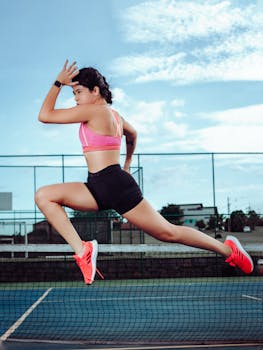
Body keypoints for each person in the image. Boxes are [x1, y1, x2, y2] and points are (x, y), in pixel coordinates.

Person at [35, 60, 254, 284]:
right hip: (99, 185)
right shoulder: (116, 116)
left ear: (95, 90)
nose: (76, 98)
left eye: (79, 91)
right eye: (73, 92)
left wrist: (57, 83)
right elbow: (133, 134)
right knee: (45, 196)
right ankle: (83, 250)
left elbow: (45, 115)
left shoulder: (93, 110)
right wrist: (127, 164)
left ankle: (229, 251)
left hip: (114, 185)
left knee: (169, 232)